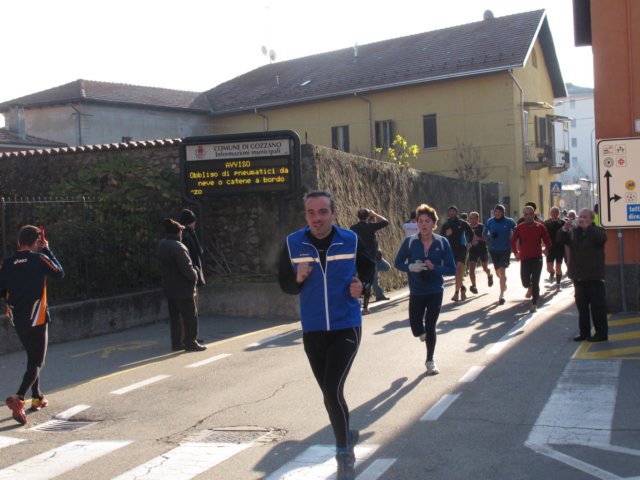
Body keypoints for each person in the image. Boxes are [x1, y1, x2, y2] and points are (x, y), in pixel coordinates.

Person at [278, 191, 375, 479]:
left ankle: (343, 451)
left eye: (322, 212)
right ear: (306, 215)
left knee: (332, 389)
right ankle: (347, 433)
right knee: (330, 394)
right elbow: (284, 283)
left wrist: (361, 286)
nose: (317, 218)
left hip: (346, 326)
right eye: (311, 212)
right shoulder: (293, 243)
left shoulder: (350, 239)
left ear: (333, 213)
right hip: (313, 329)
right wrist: (297, 278)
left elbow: (369, 267)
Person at [0, 225, 64, 425]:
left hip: (17, 318)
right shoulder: (39, 258)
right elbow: (59, 272)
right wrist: (47, 249)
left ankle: (37, 396)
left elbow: (1, 290)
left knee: (31, 357)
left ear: (19, 241)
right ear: (36, 242)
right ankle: (18, 397)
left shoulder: (7, 263)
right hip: (37, 317)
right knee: (37, 361)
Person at [395, 204, 455, 375]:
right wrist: (410, 267)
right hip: (416, 291)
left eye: (427, 221)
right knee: (416, 328)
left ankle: (430, 361)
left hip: (435, 290)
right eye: (420, 221)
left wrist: (435, 267)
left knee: (430, 325)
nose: (423, 224)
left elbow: (451, 269)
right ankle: (421, 333)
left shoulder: (442, 242)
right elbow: (398, 262)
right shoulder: (410, 242)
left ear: (434, 224)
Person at [556, 208, 608, 342]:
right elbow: (560, 240)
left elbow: (601, 239)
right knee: (582, 307)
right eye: (580, 216)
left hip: (594, 277)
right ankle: (584, 332)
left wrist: (588, 228)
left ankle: (601, 333)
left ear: (591, 219)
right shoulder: (574, 231)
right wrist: (565, 228)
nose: (582, 219)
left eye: (585, 217)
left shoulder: (598, 231)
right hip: (579, 276)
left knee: (597, 307)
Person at [157, 218, 206, 352]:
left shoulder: (162, 244)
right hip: (183, 288)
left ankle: (176, 343)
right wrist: (195, 276)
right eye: (181, 231)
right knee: (190, 316)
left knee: (175, 318)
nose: (182, 233)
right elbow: (187, 267)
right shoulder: (178, 247)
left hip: (169, 287)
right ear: (177, 232)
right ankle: (191, 342)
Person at [511, 206, 551, 312]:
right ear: (524, 216)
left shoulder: (540, 227)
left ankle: (534, 303)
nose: (528, 216)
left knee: (535, 281)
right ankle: (529, 287)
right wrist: (516, 253)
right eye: (526, 214)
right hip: (525, 258)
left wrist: (546, 249)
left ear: (534, 215)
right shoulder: (520, 227)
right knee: (525, 281)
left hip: (537, 258)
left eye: (530, 214)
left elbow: (548, 241)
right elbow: (513, 241)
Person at [350, 208, 390, 314]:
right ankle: (365, 308)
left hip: (359, 258)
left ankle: (358, 305)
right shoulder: (370, 227)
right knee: (368, 282)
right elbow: (385, 222)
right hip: (370, 258)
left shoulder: (353, 228)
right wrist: (375, 214)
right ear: (367, 216)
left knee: (360, 280)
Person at [179, 208, 205, 343]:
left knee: (189, 310)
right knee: (191, 309)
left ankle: (190, 337)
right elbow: (192, 257)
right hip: (191, 277)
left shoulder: (184, 235)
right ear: (192, 221)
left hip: (188, 276)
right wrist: (195, 274)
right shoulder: (188, 236)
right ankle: (190, 338)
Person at [483, 204, 516, 305]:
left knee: (502, 270)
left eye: (499, 211)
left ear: (503, 212)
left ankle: (501, 295)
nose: (497, 213)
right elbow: (484, 233)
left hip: (505, 249)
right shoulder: (490, 221)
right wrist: (489, 236)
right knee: (498, 273)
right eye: (495, 211)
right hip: (494, 250)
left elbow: (517, 231)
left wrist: (514, 241)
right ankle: (503, 281)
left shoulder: (509, 221)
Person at [439, 205, 472, 301]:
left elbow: (470, 232)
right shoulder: (445, 225)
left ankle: (456, 293)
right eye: (450, 211)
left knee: (458, 271)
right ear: (448, 213)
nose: (452, 213)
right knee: (456, 272)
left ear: (456, 213)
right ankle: (462, 288)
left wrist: (469, 242)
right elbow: (441, 237)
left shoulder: (462, 223)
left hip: (461, 249)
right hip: (450, 250)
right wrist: (446, 234)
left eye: (453, 211)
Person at [467, 211, 493, 294]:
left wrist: (479, 238)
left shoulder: (482, 227)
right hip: (473, 250)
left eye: (474, 218)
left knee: (485, 268)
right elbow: (465, 238)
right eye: (471, 218)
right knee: (471, 269)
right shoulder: (467, 227)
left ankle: (489, 275)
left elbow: (487, 239)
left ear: (478, 219)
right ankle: (474, 285)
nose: (472, 220)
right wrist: (468, 243)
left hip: (482, 249)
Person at [543, 206, 566, 289]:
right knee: (549, 268)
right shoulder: (546, 223)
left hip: (560, 247)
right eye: (552, 212)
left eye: (556, 212)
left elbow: (566, 234)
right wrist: (544, 246)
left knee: (558, 267)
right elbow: (543, 235)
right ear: (550, 213)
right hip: (550, 247)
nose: (554, 213)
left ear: (558, 213)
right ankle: (552, 273)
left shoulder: (562, 222)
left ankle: (558, 283)